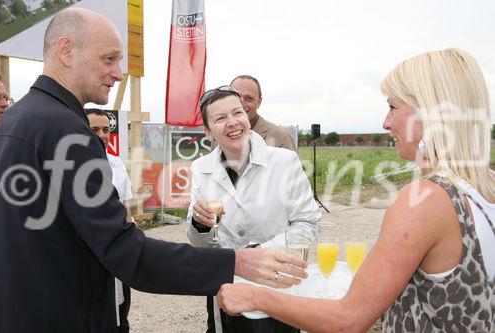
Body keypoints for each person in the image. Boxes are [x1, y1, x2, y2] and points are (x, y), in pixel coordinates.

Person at [0, 8, 308, 333]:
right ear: (66, 50)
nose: (118, 73)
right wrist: (236, 261)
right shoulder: (65, 130)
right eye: (109, 59)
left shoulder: (19, 119)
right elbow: (126, 251)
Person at [218, 48, 495, 332]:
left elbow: (347, 320)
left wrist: (255, 296)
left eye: (393, 107)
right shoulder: (485, 185)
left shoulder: (426, 201)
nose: (385, 123)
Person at [187, 85, 321, 333]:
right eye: (220, 118)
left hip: (277, 282)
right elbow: (200, 244)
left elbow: (308, 224)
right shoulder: (201, 168)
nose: (232, 122)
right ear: (208, 132)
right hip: (227, 286)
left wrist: (260, 253)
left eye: (237, 113)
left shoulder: (284, 162)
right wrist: (200, 225)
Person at [86, 108, 133, 333]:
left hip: (117, 254)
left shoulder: (117, 164)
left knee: (120, 316)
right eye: (94, 129)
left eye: (106, 129)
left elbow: (127, 210)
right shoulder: (67, 167)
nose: (101, 135)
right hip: (87, 258)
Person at [230, 75, 296, 151]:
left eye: (249, 98)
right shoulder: (219, 136)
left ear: (259, 102)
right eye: (235, 96)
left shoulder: (280, 138)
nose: (240, 103)